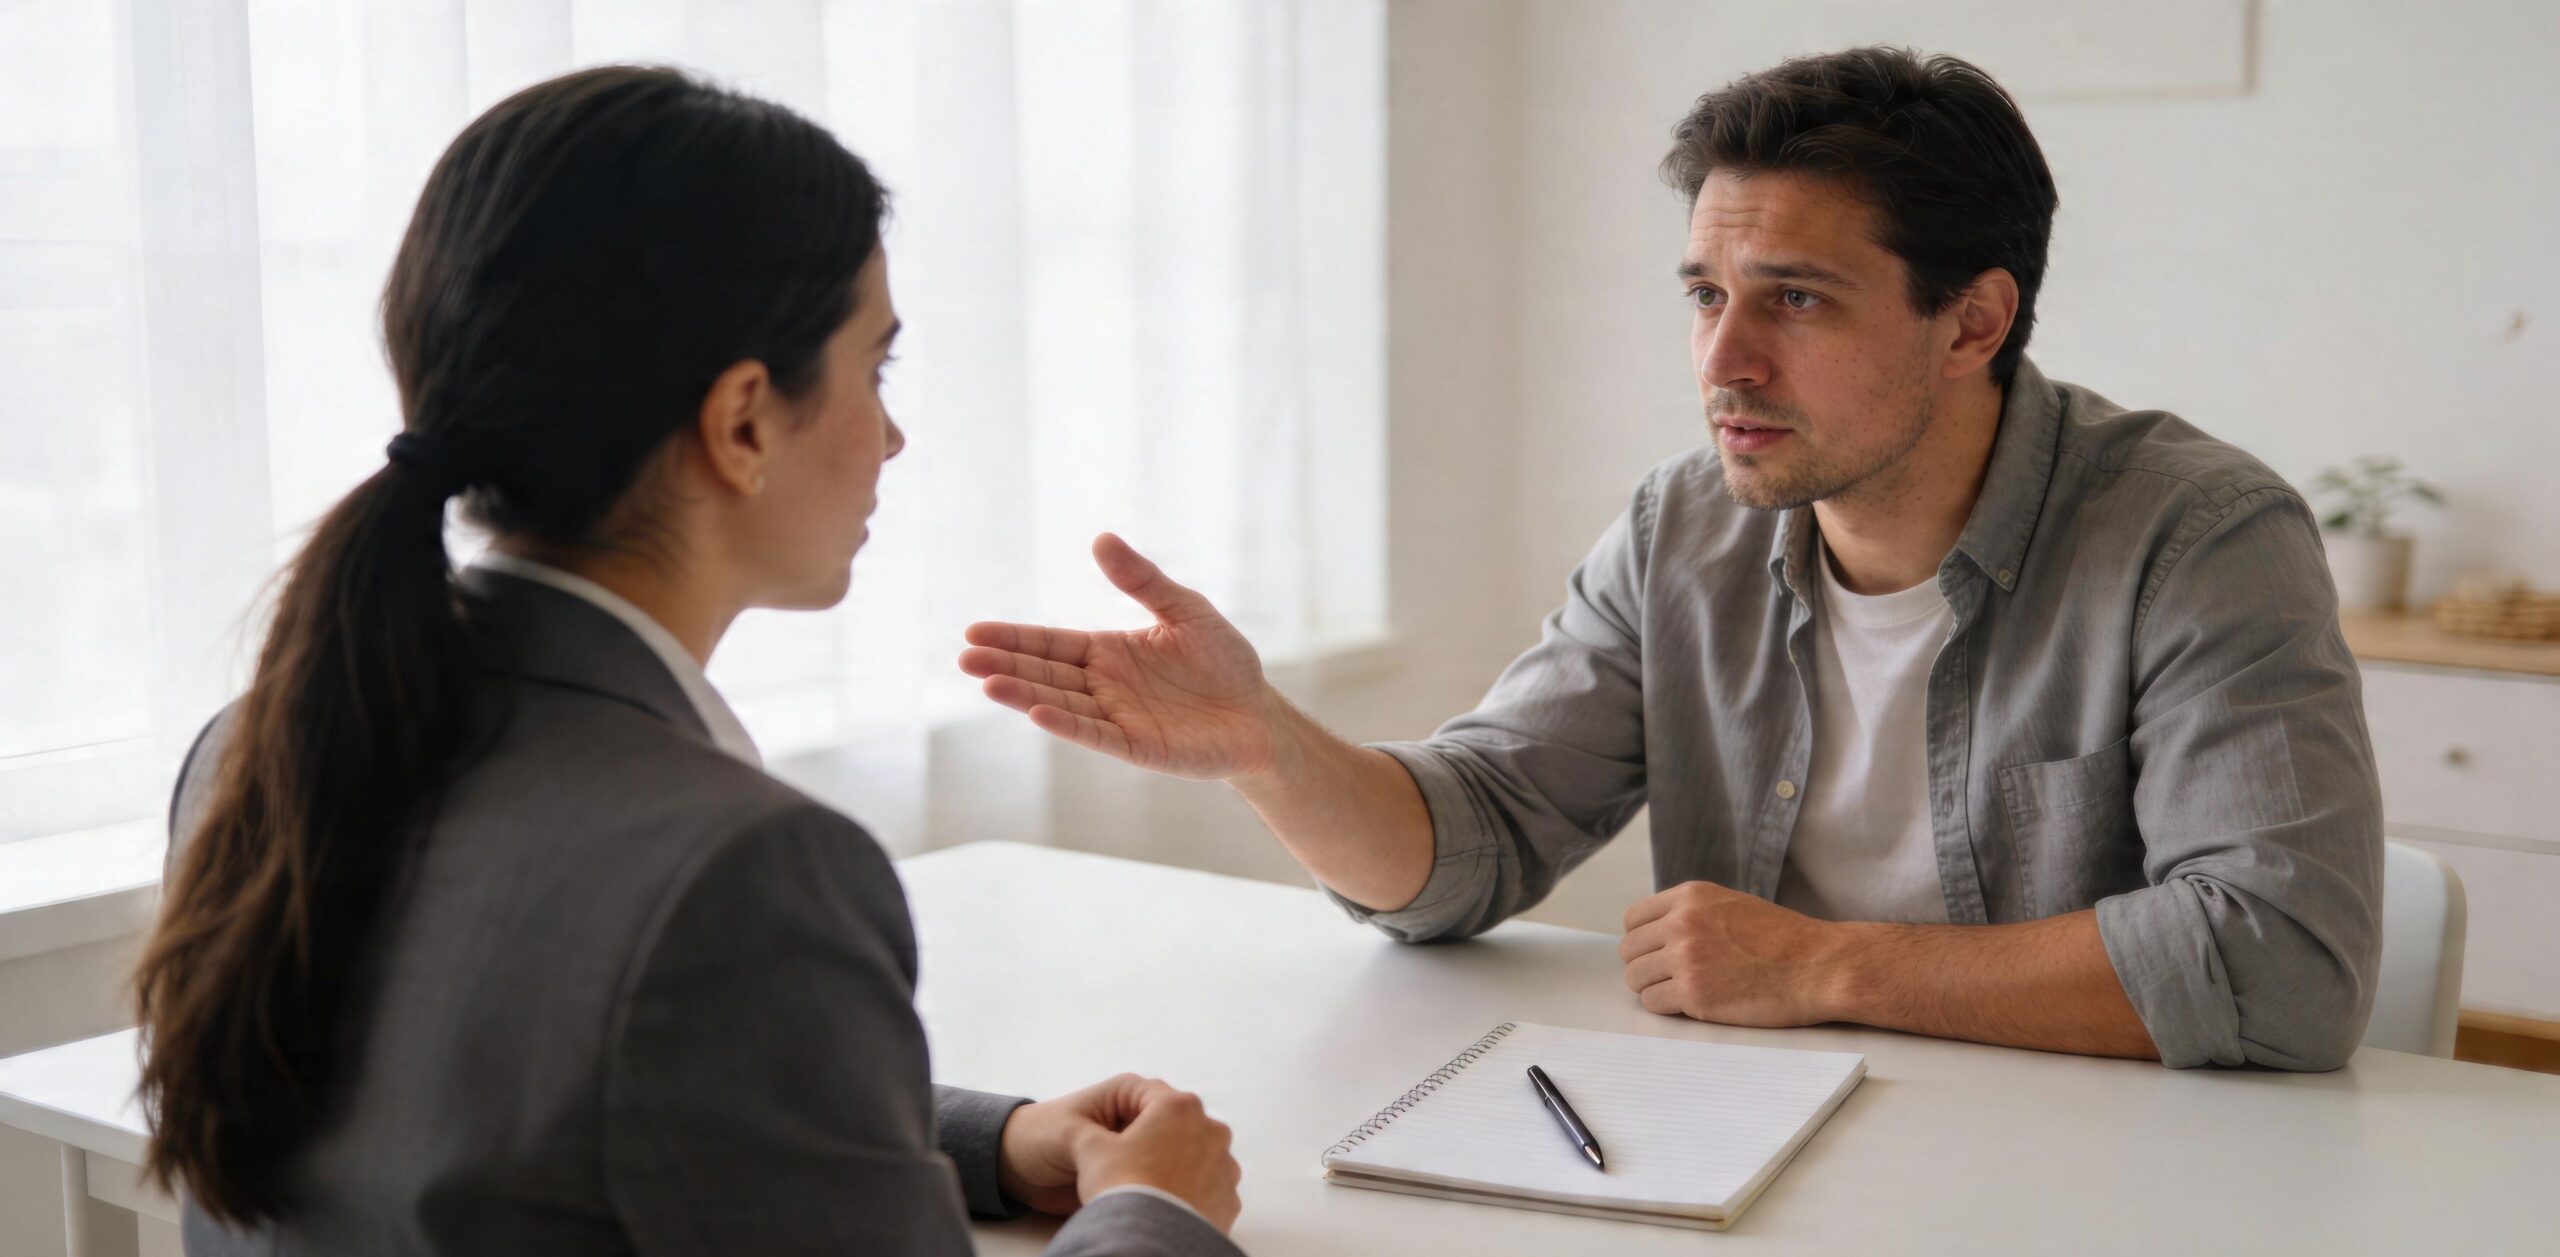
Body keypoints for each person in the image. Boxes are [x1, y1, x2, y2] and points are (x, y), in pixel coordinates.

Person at [133, 65, 1254, 1257]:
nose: (894, 434)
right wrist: (1158, 1223)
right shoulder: (737, 872)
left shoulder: (255, 750)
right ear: (739, 422)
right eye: (874, 366)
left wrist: (986, 1144)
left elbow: (555, 1098)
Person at [960, 47, 2383, 1072]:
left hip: (2105, 1184)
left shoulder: (2200, 538)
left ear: (1972, 322)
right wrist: (1267, 743)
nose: (1723, 361)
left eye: (1797, 301)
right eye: (1705, 293)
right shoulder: (1683, 525)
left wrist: (1821, 965)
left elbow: (2281, 965)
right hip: (1756, 1142)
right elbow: (1478, 840)